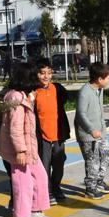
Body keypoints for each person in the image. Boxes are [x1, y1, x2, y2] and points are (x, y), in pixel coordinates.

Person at [0, 62, 52, 217]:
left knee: (40, 176)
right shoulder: (16, 98)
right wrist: (20, 150)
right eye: (36, 74)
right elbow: (15, 128)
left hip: (30, 147)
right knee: (23, 183)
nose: (40, 77)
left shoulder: (25, 95)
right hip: (19, 149)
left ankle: (35, 209)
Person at [34, 57, 71, 206]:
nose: (46, 76)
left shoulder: (58, 89)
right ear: (36, 74)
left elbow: (63, 102)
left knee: (59, 164)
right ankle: (46, 191)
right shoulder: (33, 92)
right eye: (42, 73)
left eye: (49, 73)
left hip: (58, 135)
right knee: (43, 166)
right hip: (42, 137)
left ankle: (56, 187)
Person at [75, 62, 109, 199]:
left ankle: (99, 181)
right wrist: (91, 130)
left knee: (106, 156)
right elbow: (81, 114)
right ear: (100, 79)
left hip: (100, 132)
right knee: (93, 161)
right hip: (88, 134)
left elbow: (99, 111)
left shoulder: (99, 90)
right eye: (108, 78)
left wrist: (102, 129)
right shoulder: (85, 92)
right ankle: (90, 188)